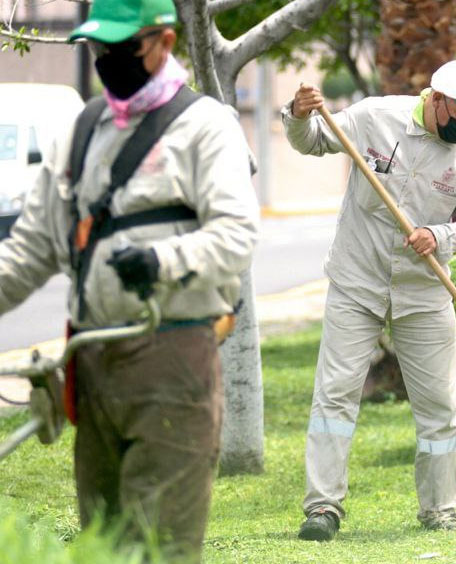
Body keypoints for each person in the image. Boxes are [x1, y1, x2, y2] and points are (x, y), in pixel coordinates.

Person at [0, 0, 260, 561]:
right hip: (92, 364)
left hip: (172, 360)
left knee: (158, 545)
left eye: (122, 48)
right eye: (99, 48)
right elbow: (29, 252)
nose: (107, 59)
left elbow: (237, 236)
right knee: (105, 541)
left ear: (163, 42)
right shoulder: (82, 128)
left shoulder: (205, 126)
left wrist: (161, 260)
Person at [281, 59, 456, 540]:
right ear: (436, 99)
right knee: (335, 393)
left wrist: (439, 236)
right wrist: (297, 115)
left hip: (424, 290)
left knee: (439, 403)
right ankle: (323, 508)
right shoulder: (375, 116)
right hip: (357, 280)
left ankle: (440, 509)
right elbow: (312, 140)